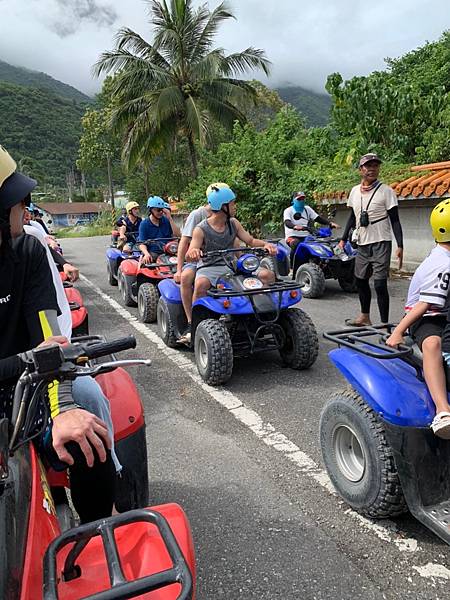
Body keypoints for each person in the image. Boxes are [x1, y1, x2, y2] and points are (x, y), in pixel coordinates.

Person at [0, 154, 115, 523]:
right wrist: (27, 359)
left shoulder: (28, 251)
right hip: (24, 368)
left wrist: (64, 408)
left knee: (86, 416)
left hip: (28, 387)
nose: (24, 206)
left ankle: (100, 525)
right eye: (17, 199)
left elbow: (50, 341)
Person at [386, 199, 450, 438]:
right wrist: (398, 331)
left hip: (444, 311)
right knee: (432, 344)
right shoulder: (443, 264)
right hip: (426, 317)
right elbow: (425, 304)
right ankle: (443, 410)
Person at [185, 186, 277, 343]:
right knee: (201, 284)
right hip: (209, 267)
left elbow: (250, 241)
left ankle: (263, 317)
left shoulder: (233, 223)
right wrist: (193, 252)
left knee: (267, 275)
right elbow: (191, 250)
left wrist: (266, 245)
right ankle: (196, 327)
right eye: (233, 203)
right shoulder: (201, 229)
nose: (235, 206)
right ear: (223, 206)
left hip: (231, 265)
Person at [338, 153, 404, 326]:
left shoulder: (386, 191)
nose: (372, 169)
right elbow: (353, 217)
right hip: (362, 243)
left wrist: (400, 245)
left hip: (381, 241)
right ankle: (364, 316)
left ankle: (384, 324)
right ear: (361, 170)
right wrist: (343, 239)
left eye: (375, 165)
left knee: (380, 284)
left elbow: (395, 220)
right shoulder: (354, 191)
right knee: (360, 280)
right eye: (368, 166)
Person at [175, 183, 231, 343]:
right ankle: (191, 322)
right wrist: (179, 269)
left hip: (221, 259)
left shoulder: (227, 216)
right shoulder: (197, 215)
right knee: (187, 277)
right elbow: (184, 242)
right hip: (197, 258)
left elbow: (234, 242)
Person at [284, 191, 340, 262]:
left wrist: (330, 223)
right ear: (293, 200)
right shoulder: (288, 210)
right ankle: (292, 268)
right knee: (296, 244)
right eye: (299, 199)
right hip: (292, 236)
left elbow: (317, 218)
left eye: (303, 199)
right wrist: (294, 226)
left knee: (320, 244)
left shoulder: (307, 209)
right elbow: (287, 222)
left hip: (306, 236)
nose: (301, 201)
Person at [138, 196, 181, 264]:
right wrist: (146, 254)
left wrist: (170, 218)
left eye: (162, 210)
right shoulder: (144, 224)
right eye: (158, 210)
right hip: (154, 253)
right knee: (145, 263)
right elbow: (141, 243)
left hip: (169, 252)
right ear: (151, 210)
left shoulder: (167, 220)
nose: (161, 212)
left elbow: (178, 235)